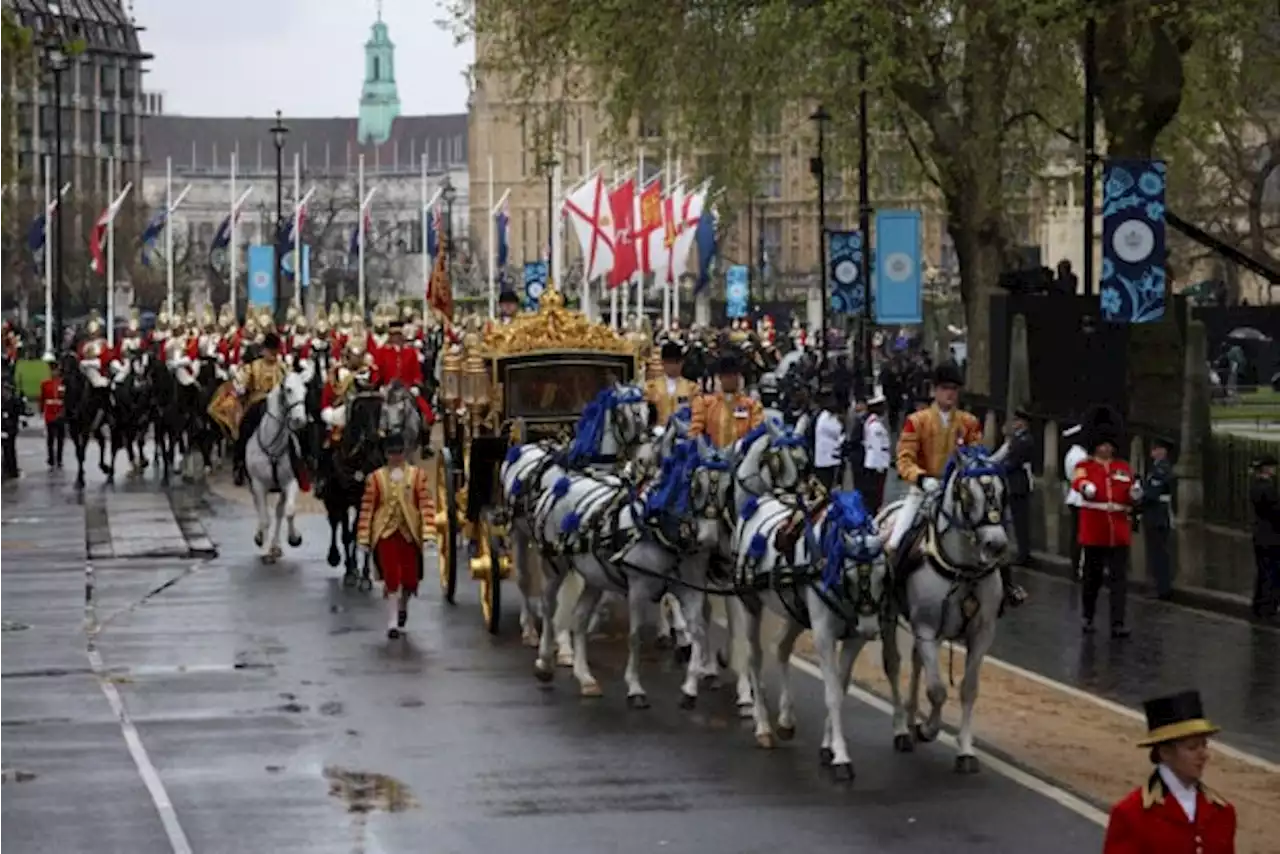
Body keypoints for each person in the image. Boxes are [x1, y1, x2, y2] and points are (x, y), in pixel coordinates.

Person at [1102, 689, 1236, 854]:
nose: (1204, 755)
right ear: (1165, 752)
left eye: (1204, 745)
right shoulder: (1132, 814)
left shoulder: (1222, 813)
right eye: (1192, 747)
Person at [887, 361, 983, 576]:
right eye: (945, 388)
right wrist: (921, 478)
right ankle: (891, 584)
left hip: (959, 490)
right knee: (896, 541)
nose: (950, 394)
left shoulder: (969, 422)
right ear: (934, 391)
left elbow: (976, 455)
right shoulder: (917, 421)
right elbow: (904, 460)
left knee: (991, 532)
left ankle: (1007, 585)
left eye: (954, 389)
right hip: (923, 490)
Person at [356, 432, 436, 639]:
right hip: (385, 532)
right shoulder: (375, 478)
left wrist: (428, 534)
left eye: (399, 453)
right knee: (392, 576)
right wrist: (364, 537)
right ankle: (391, 621)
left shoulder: (417, 475)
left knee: (410, 580)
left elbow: (426, 504)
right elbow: (367, 509)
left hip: (409, 532)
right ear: (386, 455)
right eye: (391, 453)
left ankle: (403, 606)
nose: (396, 457)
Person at [1071, 406, 1139, 637]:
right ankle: (1088, 616)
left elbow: (1129, 491)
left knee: (1119, 581)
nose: (1106, 448)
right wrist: (1085, 488)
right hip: (1095, 530)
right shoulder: (1085, 467)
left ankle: (1117, 622)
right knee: (1092, 578)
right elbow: (1078, 482)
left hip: (1118, 531)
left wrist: (1135, 494)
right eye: (1102, 443)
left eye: (1109, 444)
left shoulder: (1123, 468)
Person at [231, 332, 287, 486]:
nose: (272, 354)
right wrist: (241, 387)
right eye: (270, 350)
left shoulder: (282, 368)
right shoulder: (254, 367)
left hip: (276, 405)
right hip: (256, 402)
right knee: (244, 429)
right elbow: (242, 382)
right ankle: (239, 464)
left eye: (275, 351)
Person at [689, 353, 764, 449]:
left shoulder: (752, 405)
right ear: (720, 378)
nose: (732, 379)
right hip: (711, 456)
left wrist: (744, 443)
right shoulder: (705, 403)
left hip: (742, 455)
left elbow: (757, 429)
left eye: (735, 375)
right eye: (728, 376)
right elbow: (696, 429)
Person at [374, 320, 435, 427]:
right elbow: (378, 371)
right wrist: (380, 385)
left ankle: (424, 436)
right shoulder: (382, 352)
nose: (396, 338)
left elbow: (416, 373)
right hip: (388, 389)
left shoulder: (410, 352)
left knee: (423, 411)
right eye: (393, 335)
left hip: (407, 388)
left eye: (398, 335)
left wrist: (415, 385)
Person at [1138, 437, 1177, 600]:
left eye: (1156, 449)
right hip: (1155, 514)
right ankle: (1160, 585)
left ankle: (1162, 588)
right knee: (1156, 552)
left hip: (1157, 515)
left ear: (1163, 451)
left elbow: (1152, 494)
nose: (1153, 452)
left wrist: (1138, 496)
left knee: (1159, 553)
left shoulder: (1161, 469)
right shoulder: (1156, 468)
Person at [1001, 407, 1037, 568]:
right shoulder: (1016, 439)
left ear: (1023, 423)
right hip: (1013, 483)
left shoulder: (1025, 440)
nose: (1015, 424)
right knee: (1015, 520)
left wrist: (1001, 467)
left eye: (1017, 421)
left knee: (1021, 521)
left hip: (1020, 484)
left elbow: (1014, 461)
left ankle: (1024, 554)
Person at [1249, 454, 1280, 620]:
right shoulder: (1269, 489)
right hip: (1273, 537)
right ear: (1267, 469)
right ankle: (1268, 607)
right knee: (1272, 573)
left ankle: (1259, 605)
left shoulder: (1255, 487)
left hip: (1259, 535)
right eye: (1272, 467)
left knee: (1262, 572)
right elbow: (1276, 513)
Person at [644, 341, 698, 426]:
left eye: (677, 362)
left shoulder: (692, 388)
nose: (673, 366)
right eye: (669, 362)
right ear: (663, 362)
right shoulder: (650, 387)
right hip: (658, 433)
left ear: (682, 362)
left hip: (683, 433)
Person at [1062, 423, 1089, 579]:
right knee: (1081, 536)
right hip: (1080, 498)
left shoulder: (1075, 453)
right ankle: (1078, 568)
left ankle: (1077, 567)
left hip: (1075, 496)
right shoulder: (1079, 456)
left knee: (1077, 535)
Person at [858, 394, 890, 513]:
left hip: (874, 462)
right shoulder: (875, 425)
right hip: (876, 463)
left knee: (875, 494)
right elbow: (876, 446)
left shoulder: (872, 421)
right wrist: (880, 466)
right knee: (876, 494)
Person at [813, 386, 845, 492]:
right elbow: (838, 432)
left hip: (832, 460)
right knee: (827, 490)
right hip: (826, 461)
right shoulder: (825, 419)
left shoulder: (832, 417)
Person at [39, 359, 66, 470]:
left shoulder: (63, 383)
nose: (54, 373)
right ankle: (51, 458)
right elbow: (42, 398)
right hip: (50, 413)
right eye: (52, 370)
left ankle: (59, 459)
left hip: (60, 412)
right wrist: (42, 410)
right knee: (50, 438)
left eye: (56, 370)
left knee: (60, 438)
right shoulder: (45, 384)